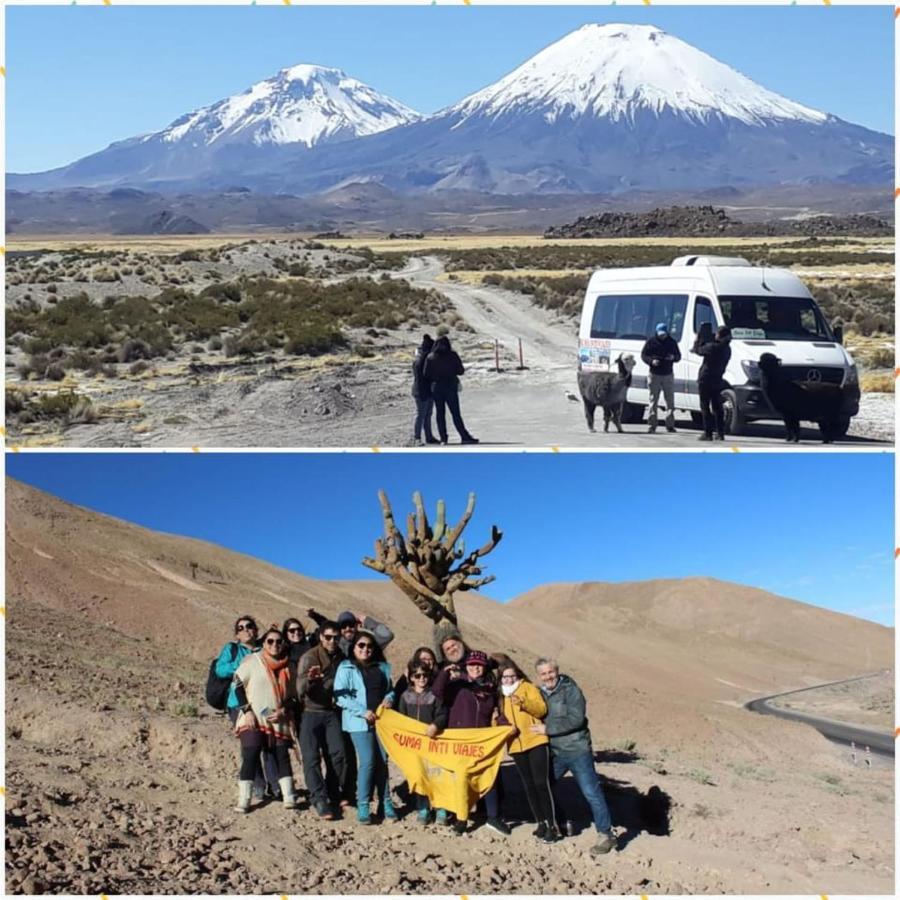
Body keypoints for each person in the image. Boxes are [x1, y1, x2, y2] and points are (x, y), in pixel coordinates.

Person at [531, 658, 615, 856]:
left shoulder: (571, 690)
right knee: (545, 786)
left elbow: (576, 719)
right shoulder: (539, 693)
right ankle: (561, 822)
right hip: (556, 752)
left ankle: (606, 834)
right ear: (539, 676)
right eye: (543, 674)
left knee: (591, 792)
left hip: (577, 750)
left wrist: (547, 729)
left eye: (551, 672)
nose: (548, 676)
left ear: (557, 671)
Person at [432, 649, 510, 836]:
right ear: (466, 666)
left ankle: (493, 817)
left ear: (484, 668)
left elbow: (497, 714)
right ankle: (461, 819)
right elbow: (437, 691)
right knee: (461, 780)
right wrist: (444, 673)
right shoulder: (457, 685)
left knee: (489, 777)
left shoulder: (490, 690)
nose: (475, 668)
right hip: (459, 741)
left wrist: (505, 726)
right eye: (472, 664)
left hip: (481, 742)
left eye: (479, 665)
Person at [231, 628, 299, 813]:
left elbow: (294, 696)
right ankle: (244, 799)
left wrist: (284, 710)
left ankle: (289, 796)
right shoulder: (252, 662)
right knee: (251, 753)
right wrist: (247, 710)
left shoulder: (289, 667)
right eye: (270, 641)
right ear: (264, 643)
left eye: (278, 641)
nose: (274, 645)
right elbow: (237, 684)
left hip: (278, 718)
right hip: (253, 717)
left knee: (281, 756)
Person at [333, 630, 397, 824]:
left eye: (369, 646)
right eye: (361, 645)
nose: (365, 649)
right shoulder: (346, 667)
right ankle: (363, 805)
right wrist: (363, 711)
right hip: (358, 721)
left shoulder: (382, 668)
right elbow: (340, 696)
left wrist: (389, 698)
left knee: (382, 761)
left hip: (381, 721)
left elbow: (390, 690)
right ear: (354, 648)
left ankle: (385, 803)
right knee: (368, 761)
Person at [215, 615, 279, 800]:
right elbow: (220, 669)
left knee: (270, 740)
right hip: (238, 704)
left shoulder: (264, 648)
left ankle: (276, 785)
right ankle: (258, 784)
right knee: (251, 742)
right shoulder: (232, 649)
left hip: (264, 704)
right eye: (241, 628)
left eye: (249, 626)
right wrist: (241, 663)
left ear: (256, 630)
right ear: (237, 634)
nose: (245, 630)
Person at [496, 656, 559, 843]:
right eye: (505, 677)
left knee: (541, 783)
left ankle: (552, 825)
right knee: (529, 785)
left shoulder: (528, 688)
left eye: (511, 676)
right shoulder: (500, 697)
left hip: (536, 741)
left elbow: (541, 709)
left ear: (517, 675)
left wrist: (524, 703)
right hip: (515, 745)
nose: (508, 680)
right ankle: (540, 822)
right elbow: (499, 721)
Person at [296, 620, 347, 820]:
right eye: (328, 637)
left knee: (338, 754)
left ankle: (332, 791)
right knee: (311, 758)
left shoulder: (342, 658)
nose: (332, 641)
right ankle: (318, 797)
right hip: (311, 712)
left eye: (336, 637)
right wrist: (310, 681)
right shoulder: (310, 657)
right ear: (321, 637)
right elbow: (299, 691)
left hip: (331, 712)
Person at [396, 657, 449, 824]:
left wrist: (435, 725)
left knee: (436, 775)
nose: (421, 679)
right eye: (417, 676)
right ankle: (423, 807)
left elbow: (443, 714)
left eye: (424, 675)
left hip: (434, 743)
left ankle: (441, 808)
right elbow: (401, 718)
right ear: (411, 677)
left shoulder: (435, 695)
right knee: (419, 775)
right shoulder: (405, 696)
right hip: (415, 745)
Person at [423, 335, 478, 445]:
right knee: (455, 413)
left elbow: (426, 374)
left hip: (437, 388)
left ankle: (444, 438)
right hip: (450, 387)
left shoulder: (430, 357)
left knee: (440, 414)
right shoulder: (452, 355)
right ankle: (464, 436)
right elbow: (461, 371)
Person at [692, 325, 732, 442]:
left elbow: (698, 350)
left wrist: (698, 340)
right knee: (717, 407)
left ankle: (708, 433)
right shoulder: (727, 349)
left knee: (705, 406)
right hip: (718, 378)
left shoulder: (713, 347)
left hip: (706, 379)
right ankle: (720, 433)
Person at [641, 323, 681, 434]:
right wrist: (651, 361)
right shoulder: (651, 341)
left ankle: (670, 425)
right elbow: (644, 355)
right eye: (660, 334)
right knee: (653, 400)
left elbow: (678, 356)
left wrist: (673, 357)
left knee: (670, 401)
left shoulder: (672, 342)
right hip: (654, 374)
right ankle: (652, 425)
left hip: (668, 374)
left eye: (664, 334)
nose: (662, 336)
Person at [412, 334, 438, 446]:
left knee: (427, 414)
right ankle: (416, 438)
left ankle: (429, 436)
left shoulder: (421, 359)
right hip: (421, 390)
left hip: (425, 390)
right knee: (421, 414)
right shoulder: (422, 360)